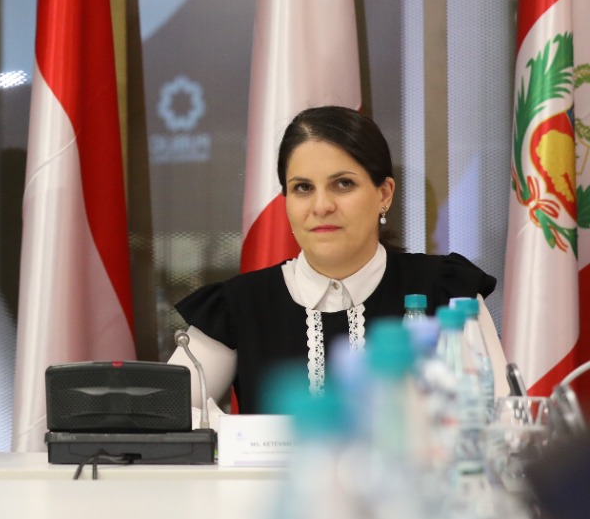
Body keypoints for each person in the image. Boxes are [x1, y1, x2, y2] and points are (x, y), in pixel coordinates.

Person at [171, 106, 504, 419]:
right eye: (303, 188)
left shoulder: (446, 292)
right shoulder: (239, 305)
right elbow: (162, 419)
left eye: (343, 184)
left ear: (384, 194)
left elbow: (501, 421)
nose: (321, 206)